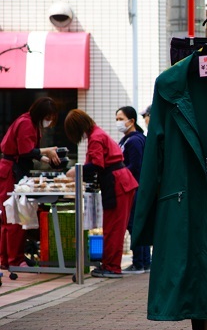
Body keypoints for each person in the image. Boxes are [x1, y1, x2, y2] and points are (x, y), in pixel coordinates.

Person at [64, 109, 138, 278]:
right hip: (119, 182)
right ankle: (109, 265)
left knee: (114, 228)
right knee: (113, 227)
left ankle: (112, 267)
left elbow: (97, 165)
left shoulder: (96, 137)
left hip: (117, 183)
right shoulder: (96, 134)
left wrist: (76, 171)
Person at [0, 97, 61, 269]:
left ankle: (8, 260)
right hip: (11, 171)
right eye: (48, 116)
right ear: (41, 114)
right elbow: (25, 150)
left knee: (11, 217)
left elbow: (28, 152)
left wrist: (44, 158)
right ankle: (14, 260)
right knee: (14, 216)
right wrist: (46, 152)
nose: (49, 121)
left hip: (14, 169)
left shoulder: (29, 122)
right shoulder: (26, 123)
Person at [115, 106, 150, 274]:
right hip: (134, 187)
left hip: (133, 187)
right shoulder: (129, 139)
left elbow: (136, 166)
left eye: (120, 119)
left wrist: (117, 174)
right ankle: (144, 262)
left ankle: (139, 262)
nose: (118, 123)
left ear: (131, 121)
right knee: (138, 224)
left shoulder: (134, 140)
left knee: (134, 224)